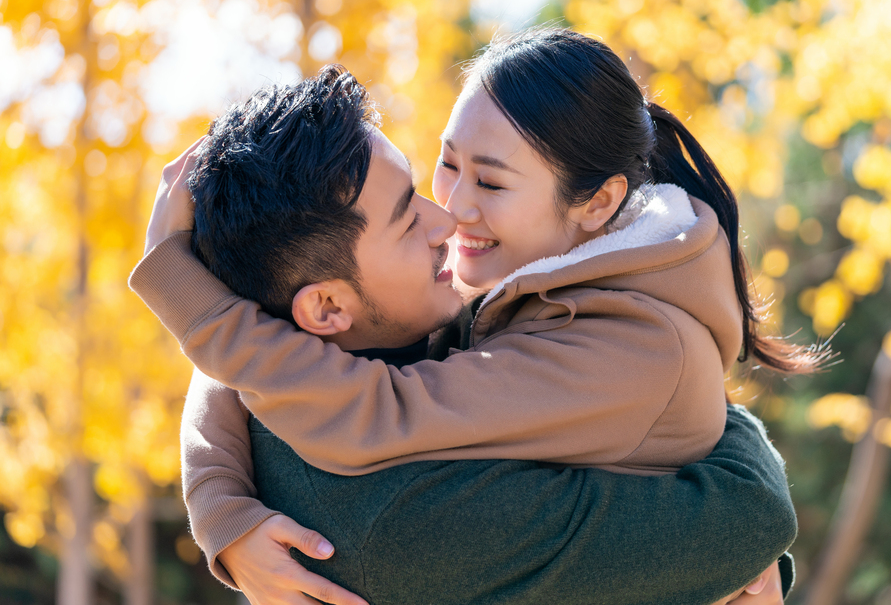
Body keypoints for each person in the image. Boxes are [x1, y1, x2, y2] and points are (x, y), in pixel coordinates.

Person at [132, 38, 808, 602]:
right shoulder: (541, 277)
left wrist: (185, 287)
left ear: (600, 202)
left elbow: (330, 385)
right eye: (447, 164)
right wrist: (221, 506)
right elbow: (246, 359)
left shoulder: (622, 339)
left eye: (490, 182)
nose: (449, 210)